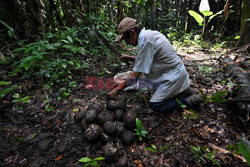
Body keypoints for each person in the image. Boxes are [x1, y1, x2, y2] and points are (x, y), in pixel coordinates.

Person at [108, 17, 203, 112]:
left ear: (132, 33)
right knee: (154, 90)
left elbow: (134, 77)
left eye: (125, 39)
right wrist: (130, 58)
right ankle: (184, 90)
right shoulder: (149, 35)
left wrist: (117, 89)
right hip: (174, 72)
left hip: (173, 75)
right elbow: (148, 59)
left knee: (155, 105)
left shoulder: (146, 41)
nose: (127, 42)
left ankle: (191, 100)